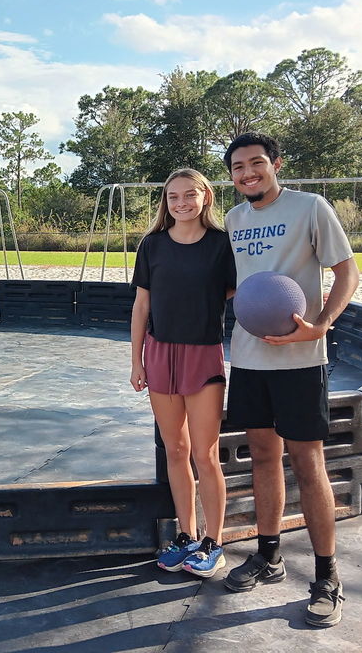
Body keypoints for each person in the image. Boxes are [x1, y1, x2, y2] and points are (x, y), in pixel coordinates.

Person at [220, 132, 359, 628]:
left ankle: (326, 576)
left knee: (307, 461)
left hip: (301, 361)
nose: (248, 173)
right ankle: (269, 555)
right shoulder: (234, 220)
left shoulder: (310, 208)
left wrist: (321, 325)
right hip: (250, 358)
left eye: (256, 163)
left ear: (276, 164)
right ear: (232, 175)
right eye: (238, 167)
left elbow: (347, 272)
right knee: (261, 455)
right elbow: (239, 282)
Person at [130, 169, 235, 579]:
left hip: (203, 354)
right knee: (175, 450)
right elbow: (142, 306)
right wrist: (136, 360)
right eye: (173, 197)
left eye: (189, 195)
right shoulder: (152, 245)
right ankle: (187, 536)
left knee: (205, 454)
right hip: (159, 355)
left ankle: (214, 543)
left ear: (205, 197)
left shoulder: (221, 244)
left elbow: (233, 288)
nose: (181, 203)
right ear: (166, 203)